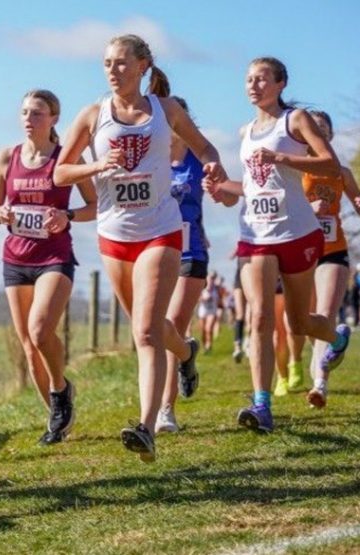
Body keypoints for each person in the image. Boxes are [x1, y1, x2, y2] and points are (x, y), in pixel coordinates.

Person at [54, 34, 228, 461]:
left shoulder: (165, 111)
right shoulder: (94, 115)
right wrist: (96, 166)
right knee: (148, 327)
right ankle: (186, 352)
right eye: (107, 64)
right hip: (114, 235)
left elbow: (205, 147)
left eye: (121, 63)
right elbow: (61, 173)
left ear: (143, 65)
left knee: (146, 332)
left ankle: (146, 426)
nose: (113, 71)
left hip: (161, 231)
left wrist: (213, 167)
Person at [202, 56, 352, 433]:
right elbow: (251, 189)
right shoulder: (245, 131)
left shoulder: (295, 121)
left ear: (281, 84)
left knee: (299, 321)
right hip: (255, 234)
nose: (253, 85)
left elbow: (330, 166)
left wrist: (283, 156)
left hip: (298, 233)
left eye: (262, 79)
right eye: (249, 79)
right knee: (260, 317)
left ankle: (336, 336)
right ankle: (262, 406)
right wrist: (221, 189)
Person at [0, 89, 96, 445]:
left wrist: (66, 216)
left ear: (53, 119)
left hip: (54, 258)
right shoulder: (7, 158)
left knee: (39, 331)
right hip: (15, 259)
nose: (28, 119)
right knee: (28, 344)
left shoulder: (66, 160)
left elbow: (95, 206)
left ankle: (60, 388)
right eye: (24, 113)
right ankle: (57, 415)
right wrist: (0, 213)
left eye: (37, 113)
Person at [300, 109, 360, 407]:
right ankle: (334, 344)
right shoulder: (295, 170)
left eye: (322, 127)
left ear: (329, 135)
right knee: (304, 322)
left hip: (333, 252)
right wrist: (308, 209)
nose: (317, 131)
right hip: (301, 252)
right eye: (312, 128)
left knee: (325, 315)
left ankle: (320, 384)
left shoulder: (341, 173)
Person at [155, 95, 213, 435]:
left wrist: (221, 190)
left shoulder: (198, 156)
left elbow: (228, 193)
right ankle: (187, 352)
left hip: (191, 252)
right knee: (158, 326)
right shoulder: (153, 158)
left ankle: (166, 410)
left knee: (173, 322)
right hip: (158, 251)